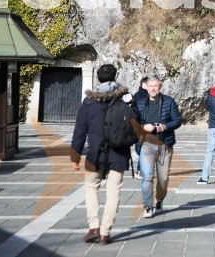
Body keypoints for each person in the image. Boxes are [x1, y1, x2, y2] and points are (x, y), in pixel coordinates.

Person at [70, 64, 139, 245]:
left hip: (95, 153)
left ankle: (93, 226)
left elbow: (80, 130)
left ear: (98, 78)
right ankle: (105, 232)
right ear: (115, 77)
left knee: (91, 187)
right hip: (119, 152)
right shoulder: (126, 97)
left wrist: (75, 157)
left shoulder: (89, 101)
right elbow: (136, 122)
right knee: (114, 191)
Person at [135, 76, 182, 218]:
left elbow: (177, 120)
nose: (153, 89)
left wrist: (165, 126)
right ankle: (148, 206)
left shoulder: (169, 101)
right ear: (146, 87)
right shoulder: (141, 103)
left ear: (160, 87)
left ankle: (159, 199)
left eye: (155, 86)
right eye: (151, 86)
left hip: (165, 145)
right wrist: (144, 126)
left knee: (163, 179)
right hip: (147, 144)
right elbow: (134, 122)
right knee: (147, 177)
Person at [132, 77, 150, 179]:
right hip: (142, 126)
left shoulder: (138, 95)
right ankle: (139, 170)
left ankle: (141, 170)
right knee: (143, 149)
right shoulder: (141, 96)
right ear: (145, 84)